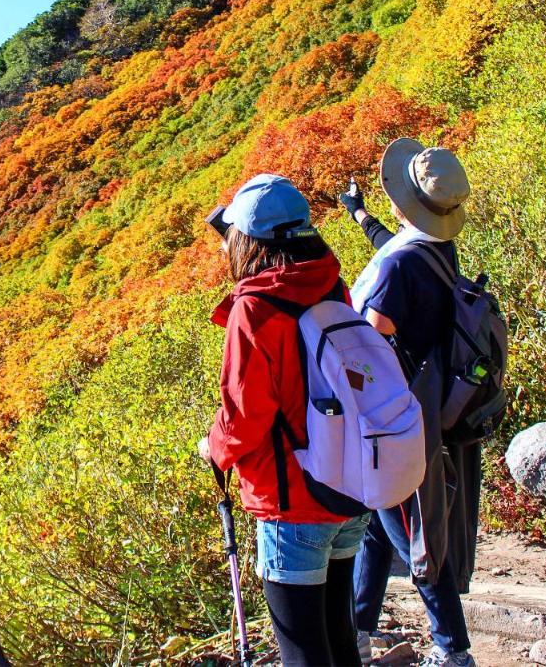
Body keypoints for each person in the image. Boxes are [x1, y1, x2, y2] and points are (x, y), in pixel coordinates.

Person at [197, 173, 370, 667]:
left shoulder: (254, 308)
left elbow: (245, 415)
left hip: (291, 499)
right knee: (339, 635)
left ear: (248, 239)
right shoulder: (332, 285)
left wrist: (215, 448)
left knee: (301, 649)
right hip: (347, 487)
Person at [339, 139, 479, 667]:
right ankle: (358, 629)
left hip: (398, 422)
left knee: (415, 536)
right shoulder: (439, 248)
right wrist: (360, 216)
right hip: (429, 406)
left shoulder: (398, 267)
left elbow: (369, 344)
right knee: (379, 525)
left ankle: (454, 650)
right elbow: (399, 250)